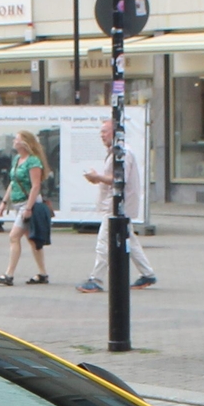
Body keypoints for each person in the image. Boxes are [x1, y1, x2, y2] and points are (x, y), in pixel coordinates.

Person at [77, 118, 158, 294]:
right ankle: (147, 273)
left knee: (104, 242)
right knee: (130, 239)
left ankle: (96, 279)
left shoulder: (122, 153)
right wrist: (97, 178)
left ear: (115, 133)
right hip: (115, 204)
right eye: (101, 132)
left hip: (118, 205)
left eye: (105, 131)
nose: (102, 135)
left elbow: (119, 179)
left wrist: (97, 177)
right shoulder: (116, 152)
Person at [0, 130, 50, 286]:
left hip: (27, 204)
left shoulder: (33, 161)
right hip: (18, 204)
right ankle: (42, 273)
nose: (14, 141)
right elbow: (13, 182)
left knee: (14, 236)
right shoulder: (17, 159)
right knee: (32, 240)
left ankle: (9, 275)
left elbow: (35, 186)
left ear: (25, 143)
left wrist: (29, 208)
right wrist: (4, 202)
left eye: (16, 139)